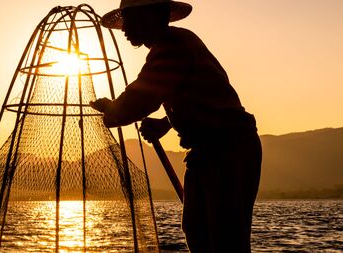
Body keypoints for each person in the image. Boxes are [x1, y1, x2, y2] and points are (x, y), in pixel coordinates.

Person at [91, 0, 262, 252]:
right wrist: (165, 123)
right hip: (207, 152)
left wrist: (112, 110)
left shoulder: (173, 46)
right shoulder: (172, 45)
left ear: (153, 16)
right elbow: (196, 95)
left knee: (225, 239)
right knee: (197, 231)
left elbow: (141, 99)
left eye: (130, 19)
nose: (125, 29)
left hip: (228, 150)